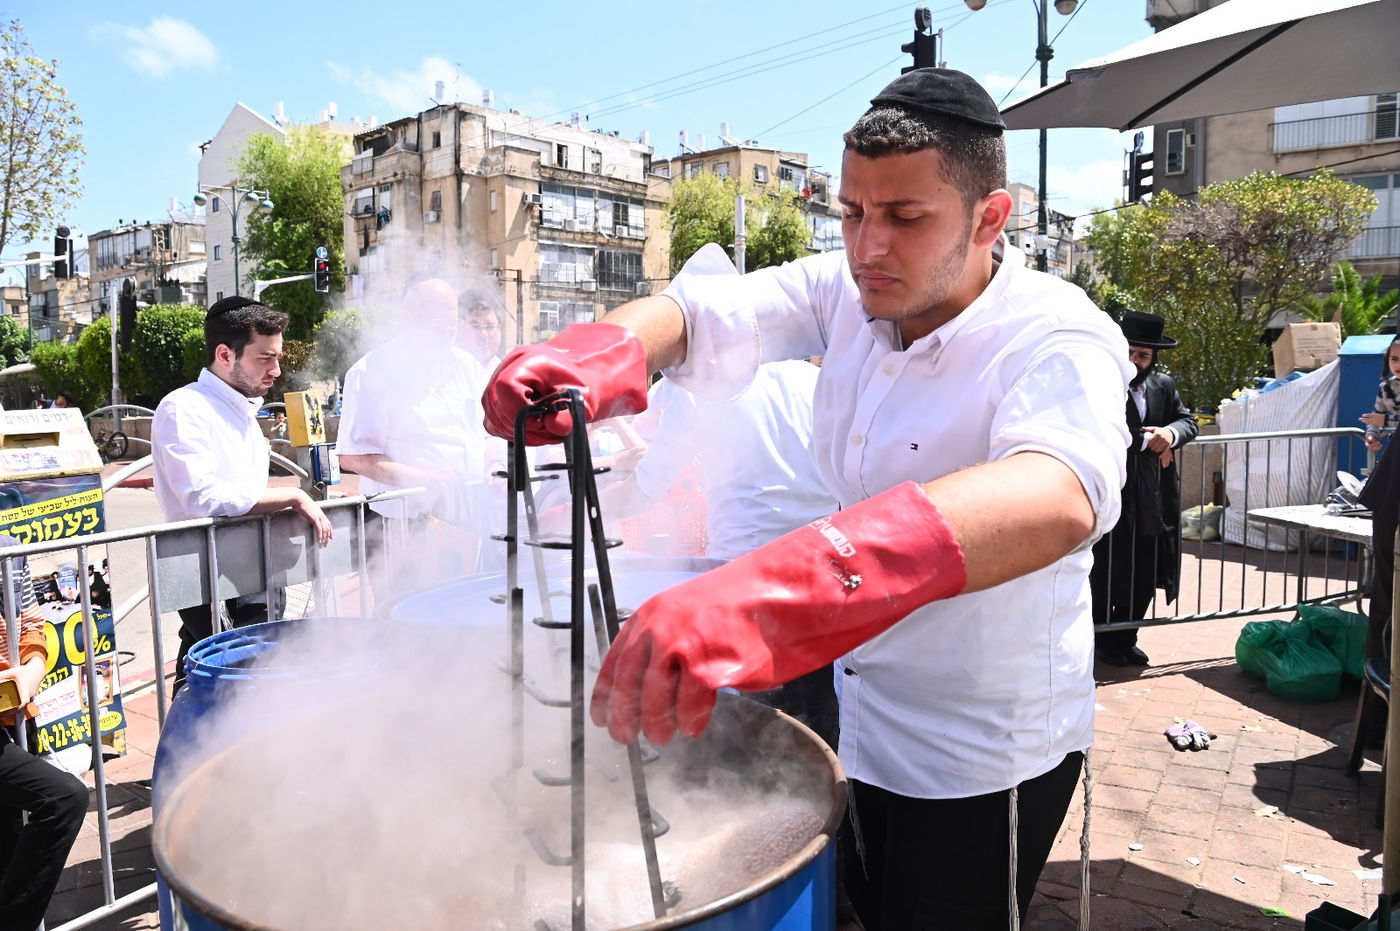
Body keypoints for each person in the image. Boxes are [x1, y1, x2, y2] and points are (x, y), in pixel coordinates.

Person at [482, 68, 1131, 929]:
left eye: (905, 217)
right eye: (854, 213)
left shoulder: (1059, 335)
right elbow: (708, 311)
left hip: (981, 747)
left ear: (990, 218)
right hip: (864, 710)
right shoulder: (851, 292)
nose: (868, 246)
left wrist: (766, 591)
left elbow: (1054, 496)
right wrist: (607, 351)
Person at [152, 296, 333, 697]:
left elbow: (238, 489)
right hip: (215, 579)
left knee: (219, 681)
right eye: (264, 359)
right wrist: (291, 496)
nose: (277, 370)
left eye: (278, 357)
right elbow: (204, 496)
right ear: (224, 353)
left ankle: (193, 755)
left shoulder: (242, 413)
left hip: (254, 570)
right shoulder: (184, 408)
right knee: (229, 687)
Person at [337, 279, 495, 604]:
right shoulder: (372, 372)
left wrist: (494, 463)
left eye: (453, 321)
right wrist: (422, 478)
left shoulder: (466, 366)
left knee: (461, 613)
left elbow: (486, 432)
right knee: (406, 621)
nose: (448, 331)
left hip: (464, 516)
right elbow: (353, 458)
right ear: (409, 318)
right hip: (400, 526)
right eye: (437, 322)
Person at [1091, 311, 1199, 668]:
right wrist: (1147, 440)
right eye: (1131, 353)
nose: (1135, 362)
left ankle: (1127, 635)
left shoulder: (1163, 386)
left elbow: (1187, 420)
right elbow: (1099, 429)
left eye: (1143, 356)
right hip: (1114, 490)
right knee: (1108, 566)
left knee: (1146, 565)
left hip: (1153, 496)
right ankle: (1101, 637)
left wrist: (1170, 434)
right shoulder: (1100, 381)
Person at [0, 534, 89, 931]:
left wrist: (32, 669)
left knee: (9, 838)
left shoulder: (6, 545)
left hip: (10, 715)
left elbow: (33, 624)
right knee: (62, 798)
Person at [1361, 335, 1400, 452]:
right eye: (1394, 359)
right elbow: (1376, 418)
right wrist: (1371, 437)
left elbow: (1381, 419)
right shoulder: (1385, 387)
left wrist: (1385, 420)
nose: (1398, 364)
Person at [456, 291, 506, 370]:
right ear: (459, 330)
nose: (483, 335)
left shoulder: (507, 374)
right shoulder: (445, 375)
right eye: (475, 326)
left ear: (499, 329)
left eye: (490, 326)